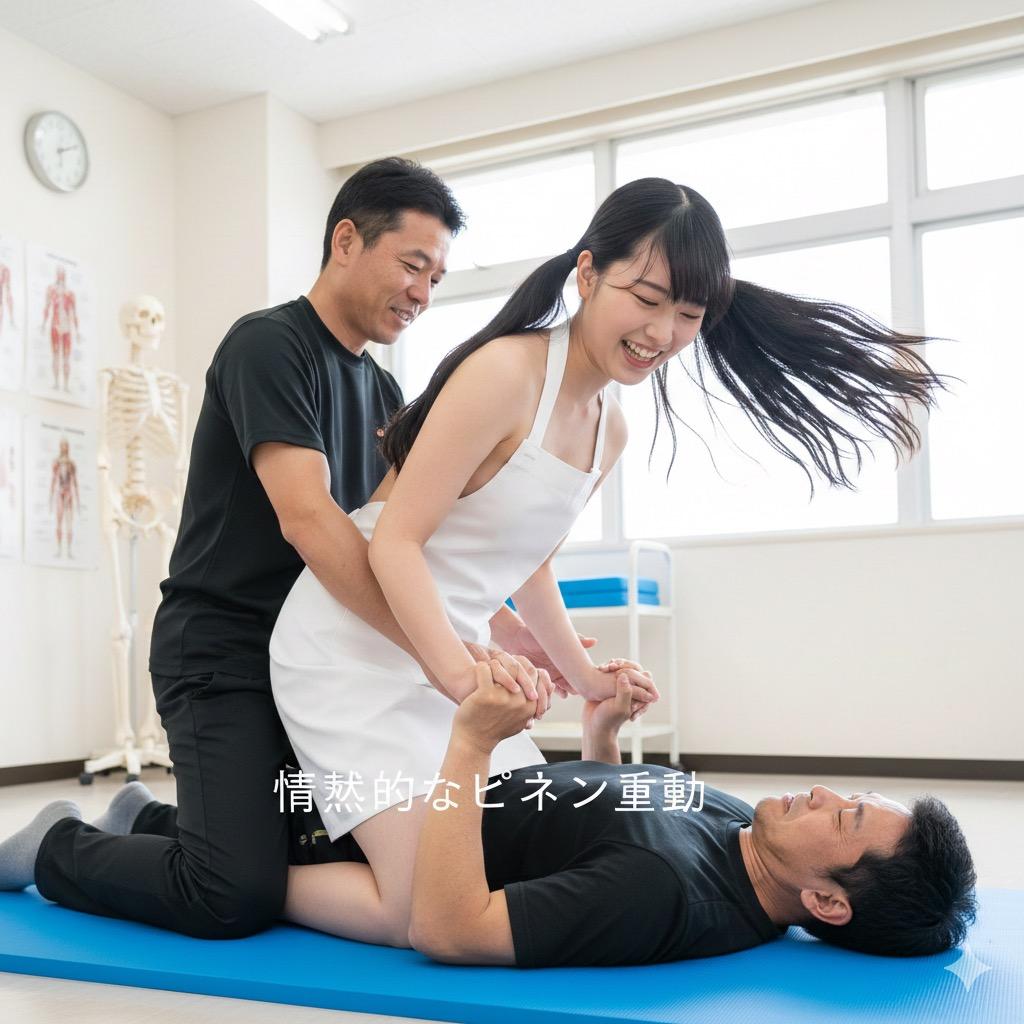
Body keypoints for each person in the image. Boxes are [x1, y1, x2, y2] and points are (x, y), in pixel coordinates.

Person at [268, 175, 951, 952]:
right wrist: (461, 678)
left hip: (453, 653)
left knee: (487, 859)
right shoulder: (506, 373)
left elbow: (531, 565)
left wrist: (587, 681)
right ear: (588, 273)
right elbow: (393, 543)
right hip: (354, 642)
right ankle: (241, 873)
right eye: (647, 298)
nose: (662, 332)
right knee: (409, 909)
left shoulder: (611, 428)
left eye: (688, 315)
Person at [0, 157, 578, 936]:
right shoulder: (268, 346)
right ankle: (55, 846)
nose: (423, 293)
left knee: (345, 853)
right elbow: (308, 519)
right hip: (225, 652)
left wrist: (505, 630)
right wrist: (438, 648)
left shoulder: (384, 393)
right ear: (346, 241)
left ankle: (146, 818)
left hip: (324, 659)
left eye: (437, 278)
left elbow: (410, 542)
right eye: (412, 265)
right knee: (231, 894)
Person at [400, 661, 977, 967]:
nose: (824, 793)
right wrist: (602, 736)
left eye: (844, 820)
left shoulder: (660, 893)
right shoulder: (753, 832)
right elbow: (603, 830)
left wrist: (473, 743)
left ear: (826, 902)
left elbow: (450, 930)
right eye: (853, 797)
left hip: (391, 824)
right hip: (447, 783)